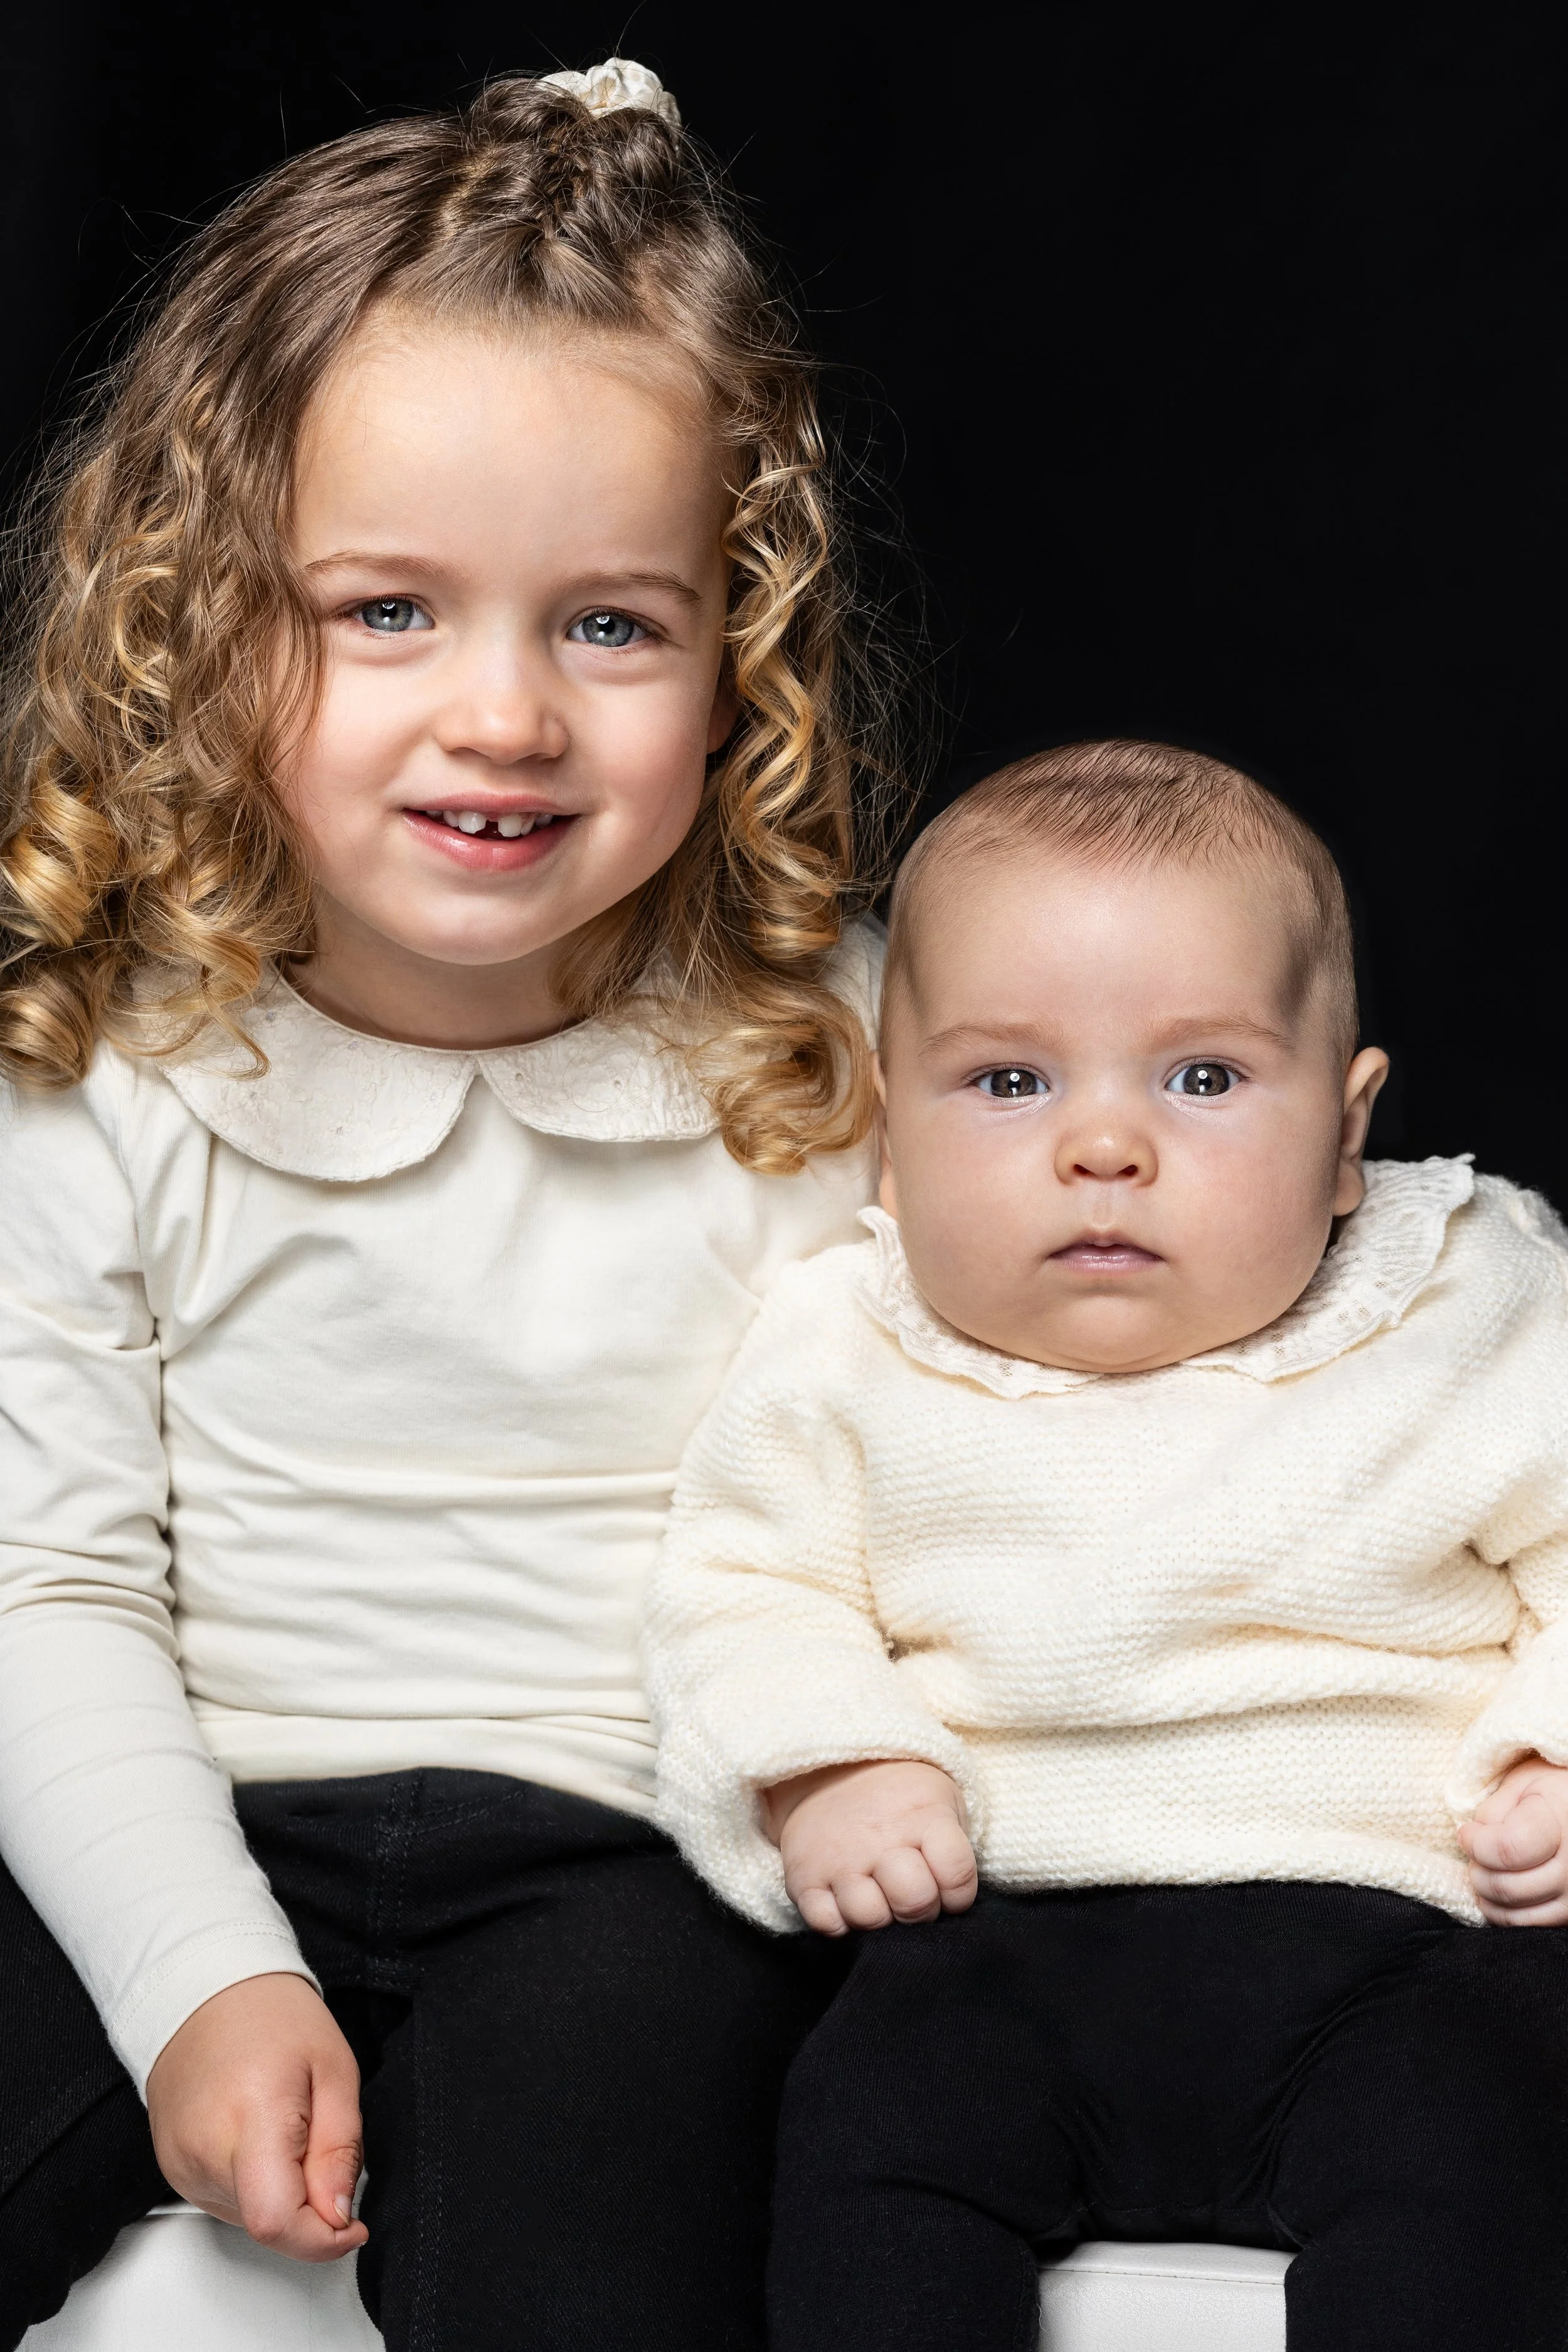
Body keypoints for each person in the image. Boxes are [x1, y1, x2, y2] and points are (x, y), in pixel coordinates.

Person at [0, 58, 902, 2351]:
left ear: (737, 653)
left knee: (618, 2231)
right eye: (386, 611)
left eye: (610, 626)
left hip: (638, 1848)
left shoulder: (841, 1056)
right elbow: (48, 1585)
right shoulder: (103, 1061)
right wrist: (206, 1979)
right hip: (171, 1790)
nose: (504, 715)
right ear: (205, 621)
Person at [647, 738, 1568, 2352]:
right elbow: (740, 1591)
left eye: (1200, 1078)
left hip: (1401, 1945)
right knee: (862, 2145)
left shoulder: (1467, 1304)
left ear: (1348, 1130)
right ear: (884, 1128)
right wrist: (828, 1766)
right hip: (988, 1943)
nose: (1102, 1147)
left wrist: (1553, 1757)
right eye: (1008, 1082)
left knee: (1485, 2159)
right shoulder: (842, 1348)